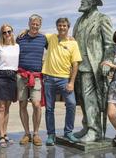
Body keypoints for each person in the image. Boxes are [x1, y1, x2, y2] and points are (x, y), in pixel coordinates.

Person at [73, 0, 115, 142]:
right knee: (82, 99)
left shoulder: (102, 18)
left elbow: (110, 44)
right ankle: (86, 126)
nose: (82, 1)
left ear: (92, 1)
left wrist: (108, 62)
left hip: (93, 65)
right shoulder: (79, 20)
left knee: (90, 98)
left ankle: (94, 130)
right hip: (78, 66)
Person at [42, 18, 82, 146]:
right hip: (48, 78)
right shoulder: (51, 37)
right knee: (49, 108)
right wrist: (25, 30)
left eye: (64, 26)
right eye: (60, 25)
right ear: (56, 27)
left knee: (71, 104)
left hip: (64, 79)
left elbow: (75, 65)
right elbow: (36, 33)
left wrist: (71, 82)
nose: (62, 28)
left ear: (68, 27)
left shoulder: (73, 43)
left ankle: (68, 132)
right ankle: (51, 135)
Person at [16, 14, 47, 146]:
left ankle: (36, 134)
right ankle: (26, 133)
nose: (35, 26)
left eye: (37, 24)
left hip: (36, 76)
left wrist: (70, 38)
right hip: (21, 75)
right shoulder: (20, 37)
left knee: (36, 104)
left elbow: (57, 45)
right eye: (33, 24)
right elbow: (8, 45)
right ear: (28, 24)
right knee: (22, 104)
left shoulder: (44, 39)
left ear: (40, 25)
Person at [0, 24, 19, 148]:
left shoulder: (17, 46)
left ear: (12, 32)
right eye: (4, 32)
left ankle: (5, 133)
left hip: (12, 77)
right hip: (0, 76)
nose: (7, 34)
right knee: (0, 107)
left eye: (9, 32)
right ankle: (1, 135)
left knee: (7, 108)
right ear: (1, 34)